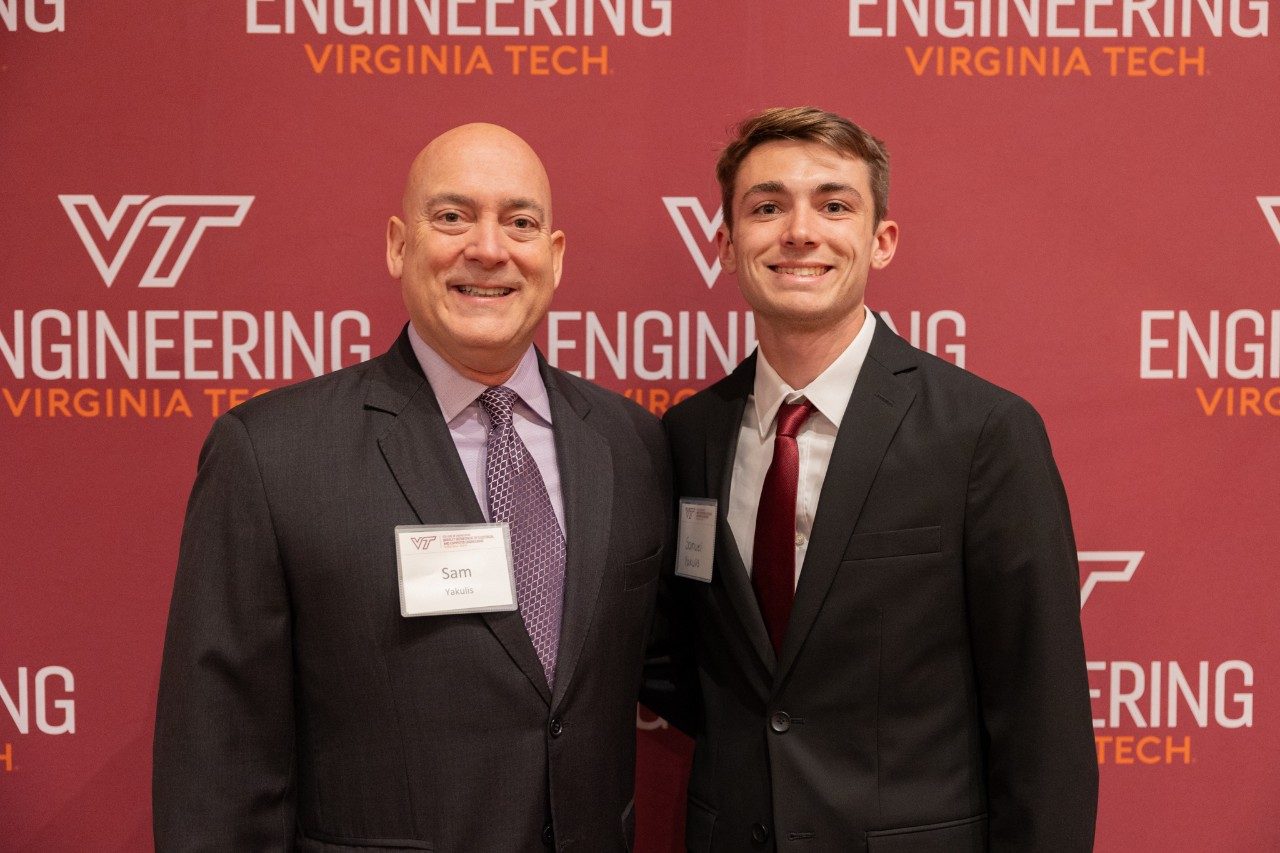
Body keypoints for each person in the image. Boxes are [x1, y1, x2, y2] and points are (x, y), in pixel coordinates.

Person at [153, 123, 671, 852]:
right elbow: (216, 760)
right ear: (399, 244)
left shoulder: (630, 442)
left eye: (519, 222)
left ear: (553, 258)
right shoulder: (270, 455)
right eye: (453, 217)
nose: (488, 248)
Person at [651, 107, 1097, 851]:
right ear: (727, 245)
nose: (799, 231)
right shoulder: (689, 434)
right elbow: (690, 664)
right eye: (767, 207)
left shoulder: (983, 433)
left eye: (833, 205)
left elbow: (1042, 714)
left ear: (880, 240)